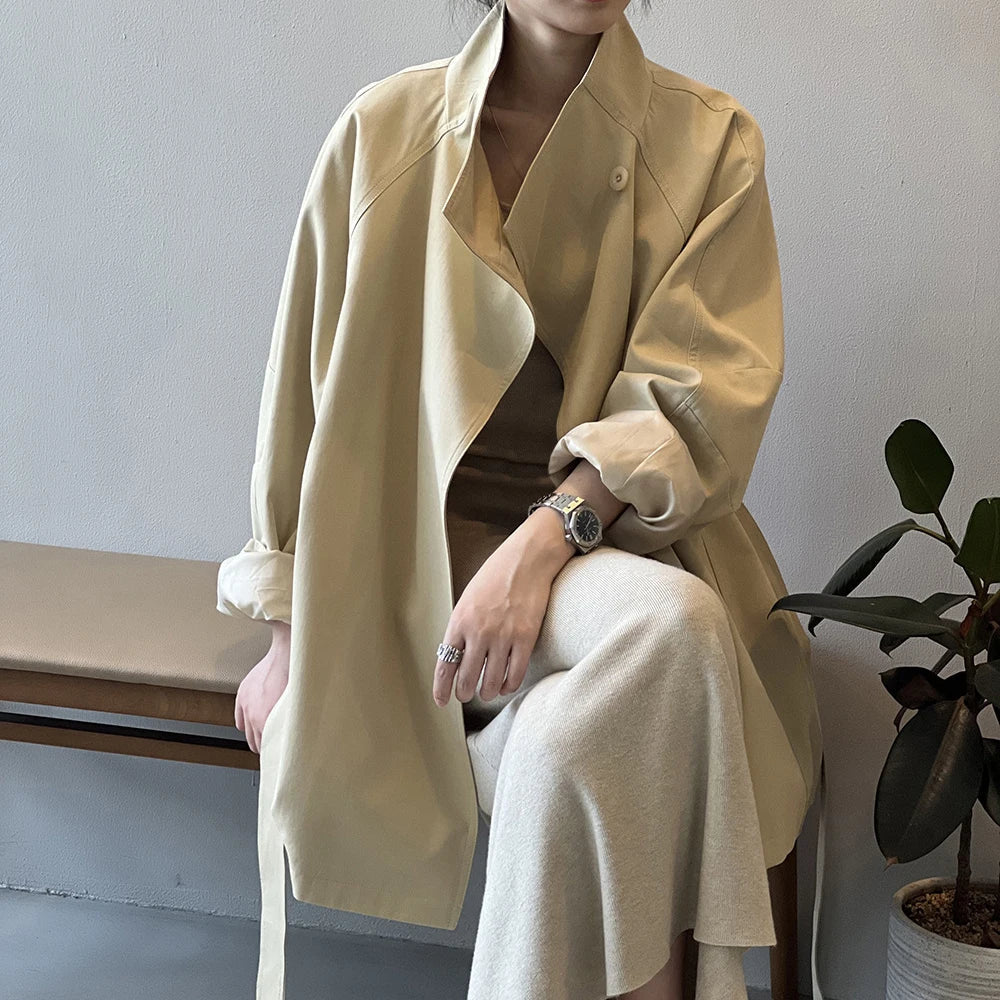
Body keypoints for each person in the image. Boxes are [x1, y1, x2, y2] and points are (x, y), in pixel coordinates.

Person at [217, 1, 824, 998]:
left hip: (607, 550)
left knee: (642, 662)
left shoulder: (712, 147)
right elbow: (300, 399)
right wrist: (288, 630)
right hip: (409, 572)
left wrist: (543, 544)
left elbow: (698, 399)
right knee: (649, 685)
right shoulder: (385, 133)